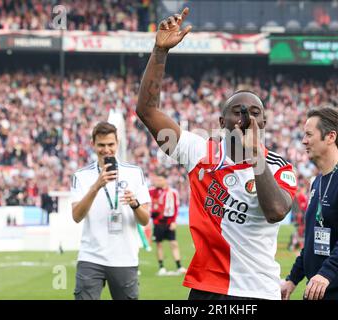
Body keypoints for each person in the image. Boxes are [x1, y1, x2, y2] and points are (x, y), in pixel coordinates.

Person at [136, 7, 297, 300]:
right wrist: (160, 52)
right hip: (207, 290)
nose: (246, 117)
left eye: (255, 113)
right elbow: (147, 112)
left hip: (258, 291)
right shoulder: (200, 151)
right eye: (238, 111)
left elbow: (276, 212)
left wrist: (254, 155)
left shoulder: (278, 166)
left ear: (264, 122)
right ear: (222, 123)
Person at [282, 107, 338, 300]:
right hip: (319, 289)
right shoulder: (318, 181)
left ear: (330, 136)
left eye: (309, 134)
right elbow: (313, 241)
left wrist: (326, 273)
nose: (304, 141)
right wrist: (293, 278)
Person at [70, 122, 151, 300]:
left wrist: (135, 204)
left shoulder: (134, 173)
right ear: (93, 144)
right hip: (91, 257)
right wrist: (96, 186)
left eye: (110, 144)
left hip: (125, 257)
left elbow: (145, 220)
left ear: (117, 143)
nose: (106, 150)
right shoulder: (81, 176)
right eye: (101, 145)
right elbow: (76, 216)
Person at [149, 168, 185, 275]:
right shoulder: (151, 191)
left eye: (160, 180)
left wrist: (174, 221)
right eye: (157, 180)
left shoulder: (172, 192)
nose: (157, 182)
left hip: (169, 222)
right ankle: (161, 267)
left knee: (174, 244)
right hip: (157, 223)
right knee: (159, 244)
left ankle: (179, 266)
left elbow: (176, 207)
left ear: (165, 180)